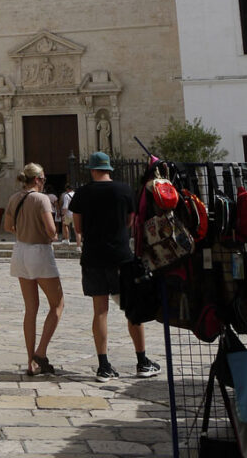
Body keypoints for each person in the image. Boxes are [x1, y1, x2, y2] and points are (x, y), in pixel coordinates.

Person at [69, 151, 161, 382]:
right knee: (132, 309)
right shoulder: (124, 190)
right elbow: (131, 221)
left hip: (93, 257)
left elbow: (77, 229)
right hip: (121, 256)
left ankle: (104, 366)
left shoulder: (82, 193)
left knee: (100, 311)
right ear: (109, 169)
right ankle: (142, 361)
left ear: (91, 169)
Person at [3, 163, 63, 377]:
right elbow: (51, 228)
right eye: (43, 179)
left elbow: (8, 227)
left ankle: (31, 362)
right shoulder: (41, 199)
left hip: (20, 251)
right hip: (39, 251)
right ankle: (41, 352)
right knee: (57, 304)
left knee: (31, 308)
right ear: (37, 180)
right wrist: (52, 234)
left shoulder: (13, 198)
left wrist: (24, 229)